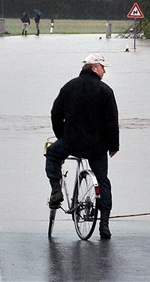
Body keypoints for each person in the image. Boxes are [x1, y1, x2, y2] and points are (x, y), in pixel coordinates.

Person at [45, 53, 119, 239]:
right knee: (103, 182)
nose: (104, 70)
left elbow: (55, 113)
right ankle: (104, 224)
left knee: (52, 155)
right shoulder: (106, 91)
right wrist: (113, 146)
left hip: (72, 142)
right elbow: (112, 121)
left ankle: (56, 190)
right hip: (97, 146)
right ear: (94, 68)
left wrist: (62, 136)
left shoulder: (69, 87)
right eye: (103, 67)